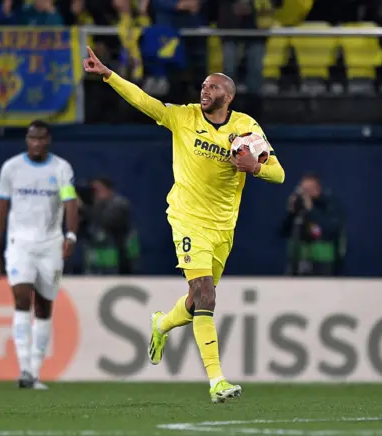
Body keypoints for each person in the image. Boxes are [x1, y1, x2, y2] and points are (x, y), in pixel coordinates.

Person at [83, 46, 285, 403]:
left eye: (213, 87)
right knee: (207, 295)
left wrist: (255, 168)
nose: (205, 91)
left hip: (224, 226)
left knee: (196, 300)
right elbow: (146, 102)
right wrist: (108, 74)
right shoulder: (184, 117)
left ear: (229, 96)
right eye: (203, 86)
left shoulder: (246, 128)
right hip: (187, 218)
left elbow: (279, 174)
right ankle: (217, 381)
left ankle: (161, 324)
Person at [0, 120, 79, 389]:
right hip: (19, 244)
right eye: (31, 138)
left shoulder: (61, 168)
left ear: (48, 140)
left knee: (44, 306)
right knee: (21, 297)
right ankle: (25, 369)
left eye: (41, 139)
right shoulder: (12, 168)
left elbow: (70, 203)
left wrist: (70, 234)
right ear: (27, 140)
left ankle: (35, 371)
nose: (36, 143)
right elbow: (1, 209)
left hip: (50, 244)